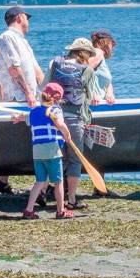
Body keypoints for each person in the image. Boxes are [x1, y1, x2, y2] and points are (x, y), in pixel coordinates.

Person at [0, 5, 43, 195]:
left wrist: (47, 94)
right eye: (27, 18)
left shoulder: (24, 41)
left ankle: (1, 179)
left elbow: (37, 70)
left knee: (21, 139)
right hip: (16, 98)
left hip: (29, 98)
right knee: (15, 139)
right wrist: (29, 92)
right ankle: (2, 178)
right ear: (20, 17)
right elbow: (14, 68)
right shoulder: (7, 37)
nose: (28, 22)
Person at [46, 38, 98, 208]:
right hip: (75, 119)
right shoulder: (87, 70)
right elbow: (90, 97)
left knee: (55, 158)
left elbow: (44, 88)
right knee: (74, 159)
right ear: (84, 54)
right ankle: (72, 200)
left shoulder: (55, 63)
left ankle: (41, 193)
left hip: (53, 117)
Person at [13, 82, 74, 219]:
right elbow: (60, 124)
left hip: (37, 152)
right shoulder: (54, 111)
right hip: (52, 150)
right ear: (56, 99)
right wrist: (68, 136)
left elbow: (25, 117)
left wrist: (18, 118)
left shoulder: (34, 112)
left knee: (40, 181)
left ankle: (28, 210)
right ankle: (61, 211)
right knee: (58, 181)